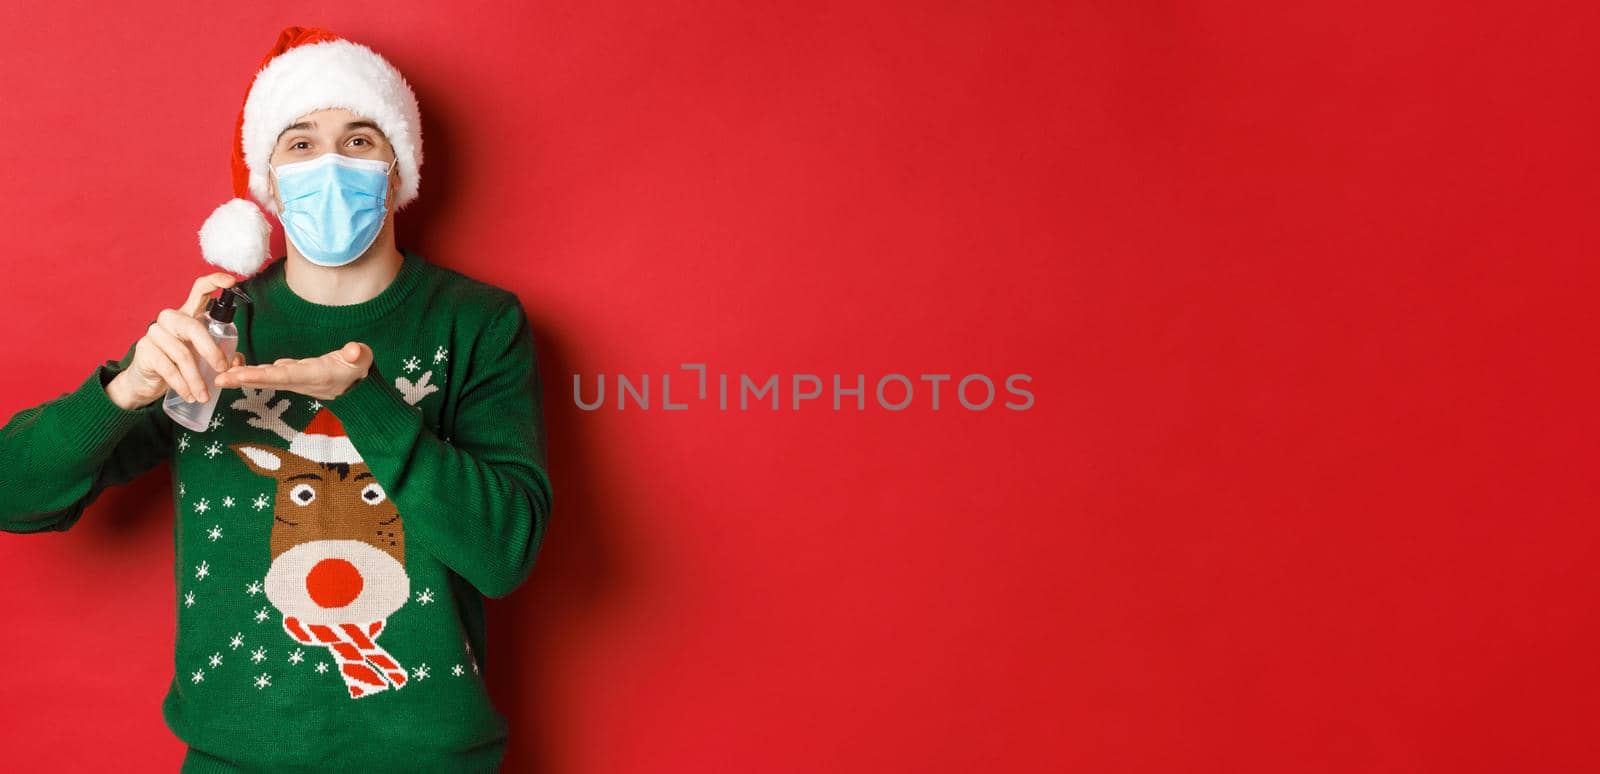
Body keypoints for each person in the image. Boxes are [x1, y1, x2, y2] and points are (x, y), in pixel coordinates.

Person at [0, 26, 551, 773]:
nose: (330, 164)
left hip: (426, 757)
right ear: (266, 181)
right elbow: (13, 494)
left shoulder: (479, 324)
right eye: (300, 143)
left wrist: (363, 398)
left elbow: (504, 552)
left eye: (359, 139)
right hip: (236, 758)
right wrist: (126, 388)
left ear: (398, 169)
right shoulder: (216, 333)